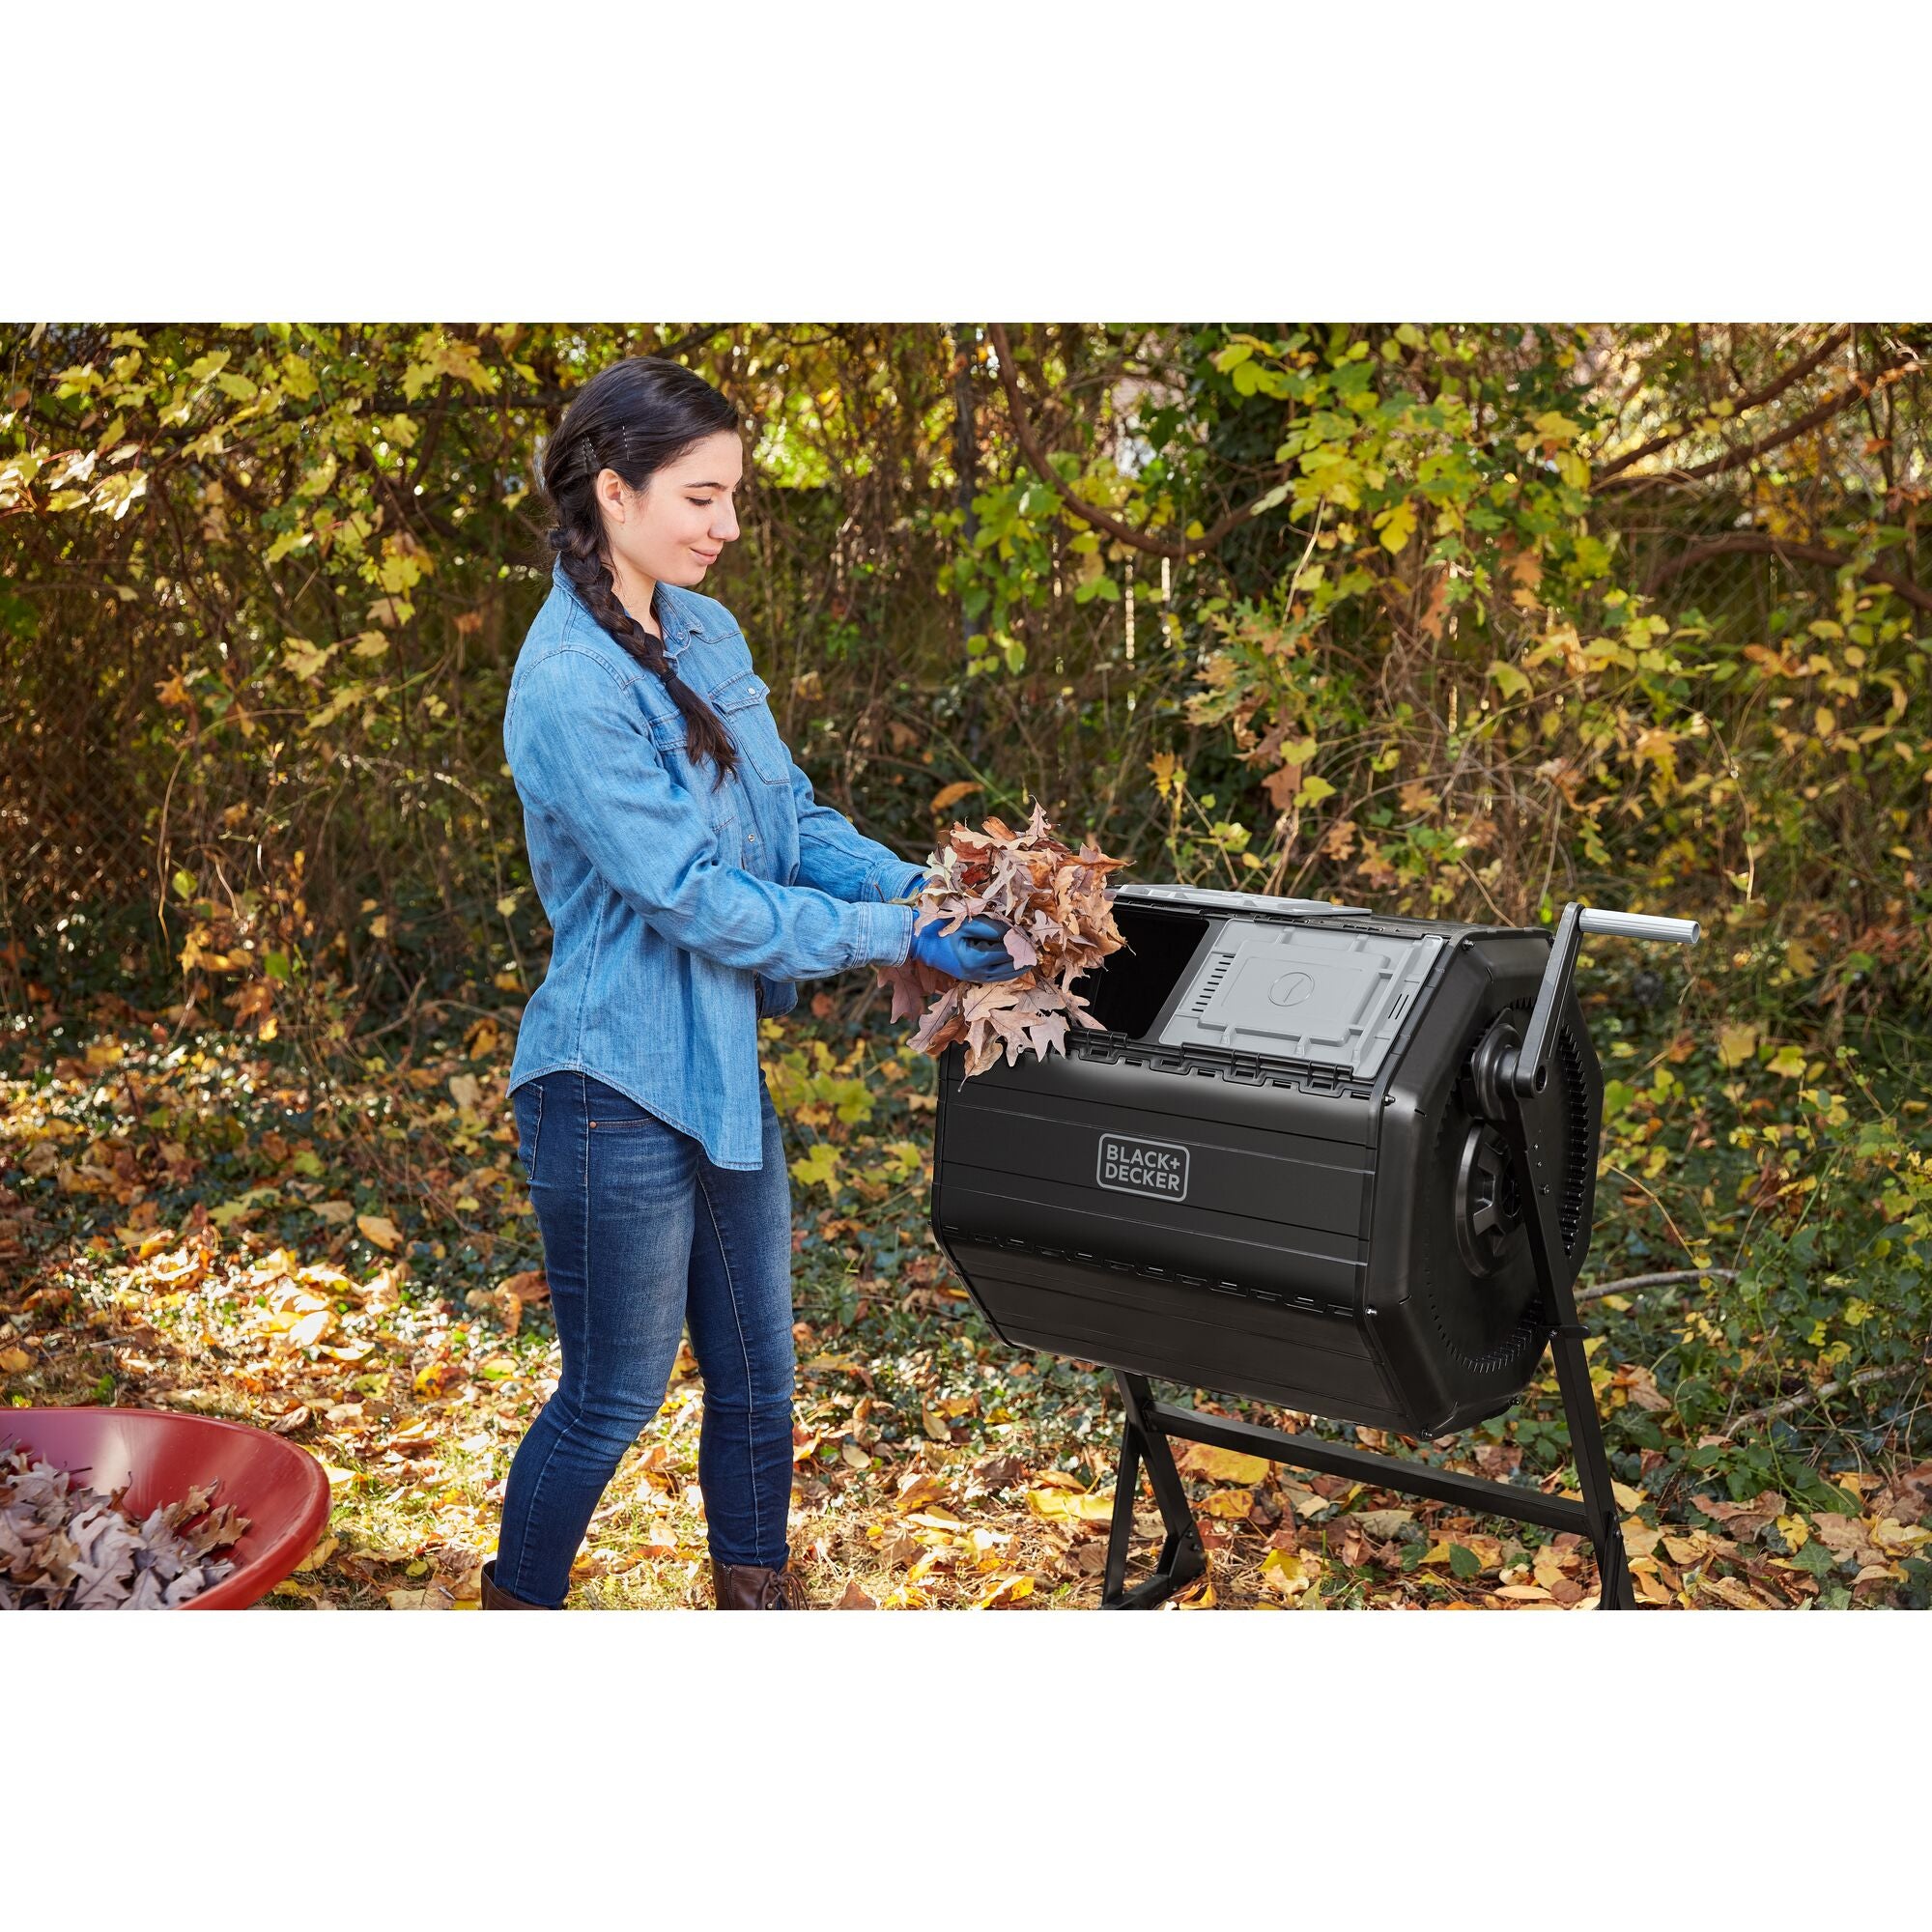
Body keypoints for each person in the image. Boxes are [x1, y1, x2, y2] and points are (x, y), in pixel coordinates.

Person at [481, 356, 1021, 1610]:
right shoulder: (567, 684)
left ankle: (755, 1606)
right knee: (612, 1397)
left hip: (718, 1072)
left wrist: (922, 897)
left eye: (734, 497)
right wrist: (893, 943)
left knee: (761, 1379)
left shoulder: (704, 627)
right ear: (615, 493)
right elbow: (696, 899)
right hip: (608, 1083)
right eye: (702, 497)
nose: (729, 526)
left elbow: (787, 821)